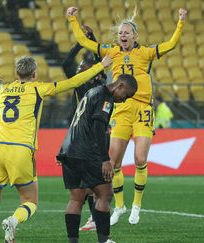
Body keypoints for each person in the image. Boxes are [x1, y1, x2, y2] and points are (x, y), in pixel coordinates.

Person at [0, 55, 112, 243]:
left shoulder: (5, 90)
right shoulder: (39, 88)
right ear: (34, 73)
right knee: (30, 201)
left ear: (16, 73)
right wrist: (100, 66)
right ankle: (13, 221)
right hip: (21, 149)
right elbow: (73, 82)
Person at [66, 6, 187, 225]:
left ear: (135, 36)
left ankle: (137, 206)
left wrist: (180, 22)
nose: (122, 35)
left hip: (142, 109)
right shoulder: (111, 51)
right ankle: (119, 206)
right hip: (120, 109)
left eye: (126, 32)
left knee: (140, 159)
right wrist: (73, 19)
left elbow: (170, 45)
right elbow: (86, 43)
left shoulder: (146, 52)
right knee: (113, 162)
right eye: (120, 32)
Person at [56, 74, 138, 243]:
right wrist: (105, 159)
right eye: (126, 95)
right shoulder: (105, 98)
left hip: (70, 151)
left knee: (75, 199)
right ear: (120, 86)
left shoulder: (91, 92)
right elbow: (98, 128)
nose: (123, 100)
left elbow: (77, 121)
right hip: (87, 152)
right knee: (105, 194)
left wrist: (65, 148)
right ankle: (103, 240)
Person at [62, 24, 107, 231]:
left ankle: (95, 217)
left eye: (84, 66)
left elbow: (98, 60)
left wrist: (87, 40)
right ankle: (95, 218)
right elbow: (67, 63)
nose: (80, 67)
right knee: (86, 184)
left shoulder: (92, 86)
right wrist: (84, 41)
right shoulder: (86, 84)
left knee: (89, 184)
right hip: (80, 137)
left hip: (89, 136)